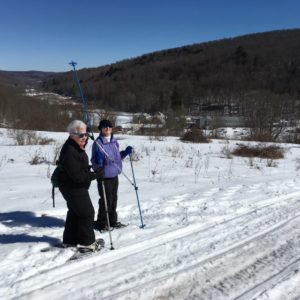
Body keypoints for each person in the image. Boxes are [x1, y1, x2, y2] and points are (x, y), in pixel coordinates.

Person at [58, 120, 104, 252]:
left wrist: (90, 168)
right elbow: (77, 177)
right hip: (73, 187)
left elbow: (78, 167)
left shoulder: (75, 146)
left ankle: (70, 241)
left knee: (74, 212)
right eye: (81, 135)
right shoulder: (69, 151)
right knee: (87, 213)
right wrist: (94, 175)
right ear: (72, 134)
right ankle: (87, 243)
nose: (84, 138)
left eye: (86, 135)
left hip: (71, 186)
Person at [91, 119, 132, 231]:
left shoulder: (114, 141)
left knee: (113, 199)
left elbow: (116, 158)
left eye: (109, 126)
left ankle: (112, 221)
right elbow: (94, 162)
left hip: (114, 175)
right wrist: (98, 164)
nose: (107, 129)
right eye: (104, 127)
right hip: (104, 177)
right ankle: (102, 222)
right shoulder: (98, 143)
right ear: (101, 129)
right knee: (105, 200)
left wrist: (124, 153)